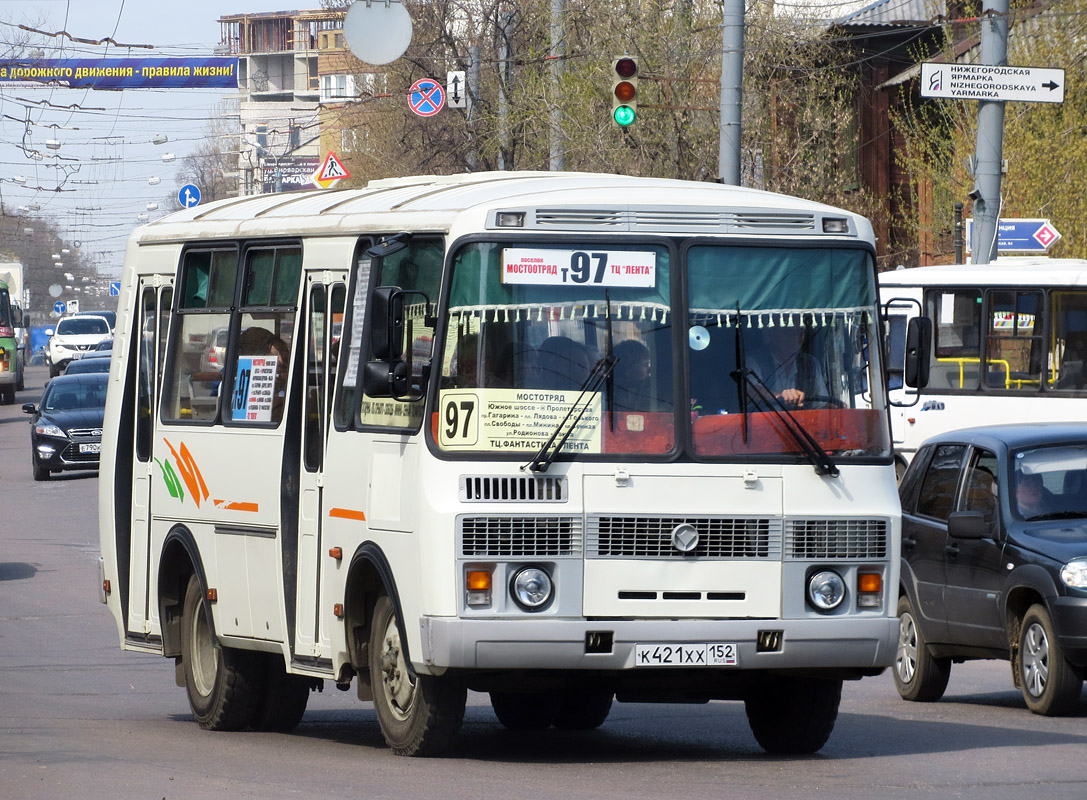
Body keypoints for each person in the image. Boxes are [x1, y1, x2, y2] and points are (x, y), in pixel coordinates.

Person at [749, 324, 827, 408]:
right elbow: (751, 391)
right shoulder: (754, 361)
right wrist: (780, 396)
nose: (796, 337)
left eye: (800, 332)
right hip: (765, 420)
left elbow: (821, 404)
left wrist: (834, 408)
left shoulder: (811, 364)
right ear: (771, 334)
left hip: (801, 421)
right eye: (788, 331)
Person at [612, 339, 652, 411]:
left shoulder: (650, 390)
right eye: (645, 365)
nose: (649, 370)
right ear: (627, 368)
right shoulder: (610, 393)